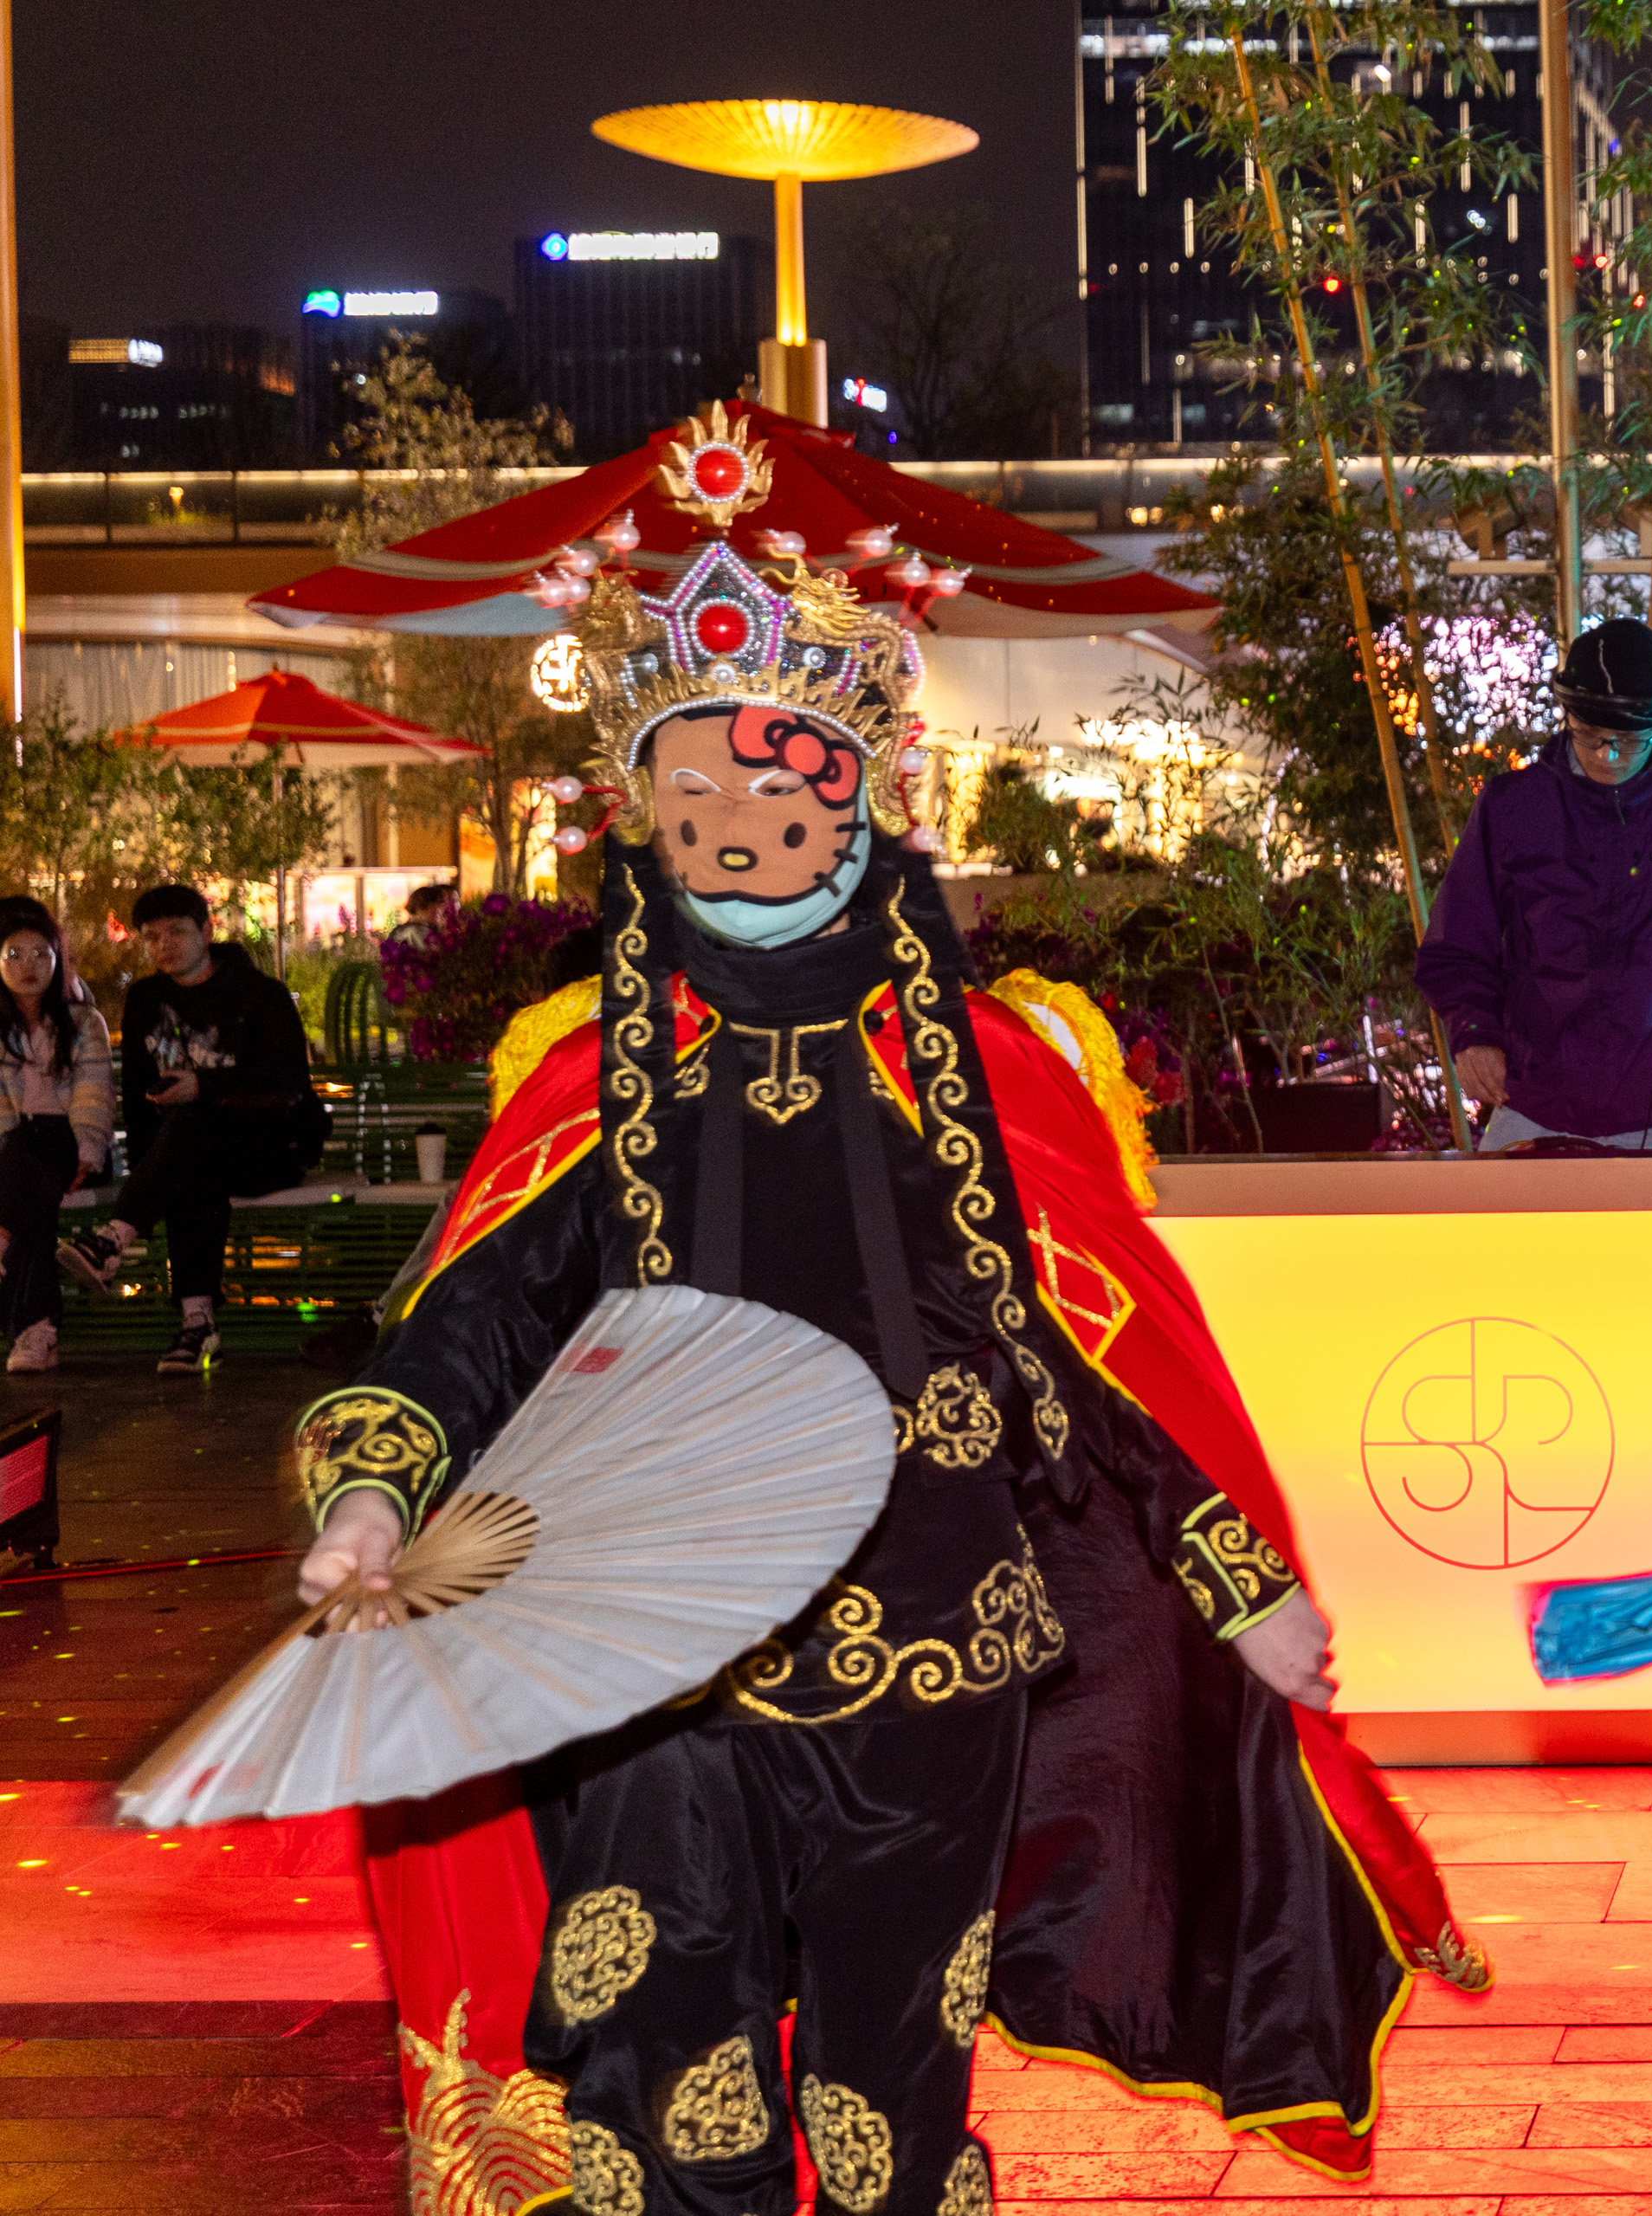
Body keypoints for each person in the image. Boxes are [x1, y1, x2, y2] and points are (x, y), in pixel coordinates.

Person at [291, 436, 1485, 2215]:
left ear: (869, 796)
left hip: (934, 1660)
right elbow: (471, 1323)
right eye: (695, 785)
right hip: (653, 1671)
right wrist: (374, 1491)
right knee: (669, 2084)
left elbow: (1091, 1353)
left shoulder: (988, 1071)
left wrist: (1241, 1581)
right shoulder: (590, 1080)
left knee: (887, 2096)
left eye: (785, 779)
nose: (741, 821)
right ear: (640, 814)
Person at [1416, 618, 1652, 1152]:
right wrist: (1473, 1031)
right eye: (1588, 734)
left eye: (1628, 739)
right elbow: (1457, 943)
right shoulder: (1513, 806)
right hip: (1533, 1109)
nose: (1607, 754)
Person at [58, 882, 323, 1375]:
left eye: (176, 933)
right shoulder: (145, 998)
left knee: (192, 1127)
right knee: (189, 1160)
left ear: (206, 931)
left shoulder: (260, 995)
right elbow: (138, 1092)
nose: (164, 946)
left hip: (268, 1148)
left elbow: (289, 1080)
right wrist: (150, 1172)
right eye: (153, 937)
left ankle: (116, 1240)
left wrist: (204, 1086)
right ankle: (198, 1328)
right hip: (184, 1153)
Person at [0, 898, 112, 1375]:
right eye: (14, 955)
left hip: (74, 1147)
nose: (28, 966)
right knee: (28, 1190)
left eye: (40, 954)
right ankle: (39, 1330)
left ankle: (33, 1324)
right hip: (20, 1159)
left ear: (57, 959)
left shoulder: (83, 1022)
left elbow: (93, 1092)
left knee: (28, 1153)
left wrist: (88, 1150)